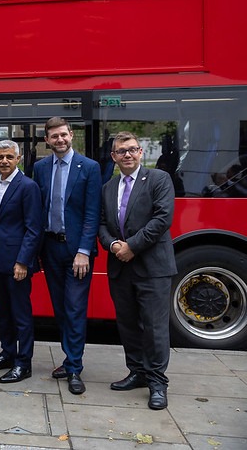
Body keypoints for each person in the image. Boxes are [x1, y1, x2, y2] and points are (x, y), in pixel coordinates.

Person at [99, 131, 177, 410]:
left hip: (152, 267)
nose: (127, 155)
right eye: (121, 151)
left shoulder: (159, 179)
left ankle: (157, 382)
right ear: (114, 157)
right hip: (120, 267)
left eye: (132, 149)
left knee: (155, 328)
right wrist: (113, 245)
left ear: (141, 152)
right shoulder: (108, 187)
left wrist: (131, 246)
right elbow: (102, 224)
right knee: (128, 324)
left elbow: (162, 218)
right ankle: (137, 372)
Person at [32, 117, 101, 395]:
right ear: (47, 140)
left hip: (77, 252)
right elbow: (37, 211)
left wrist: (84, 251)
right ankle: (69, 357)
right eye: (54, 136)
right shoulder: (40, 168)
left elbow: (92, 212)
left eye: (63, 135)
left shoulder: (90, 167)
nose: (59, 140)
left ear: (71, 135)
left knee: (74, 308)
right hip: (50, 248)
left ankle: (74, 368)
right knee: (60, 309)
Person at [0, 141, 42, 383]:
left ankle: (23, 363)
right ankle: (8, 353)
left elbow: (33, 228)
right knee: (3, 312)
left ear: (18, 158)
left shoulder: (28, 186)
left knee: (21, 314)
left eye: (9, 157)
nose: (4, 161)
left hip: (17, 262)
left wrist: (23, 262)